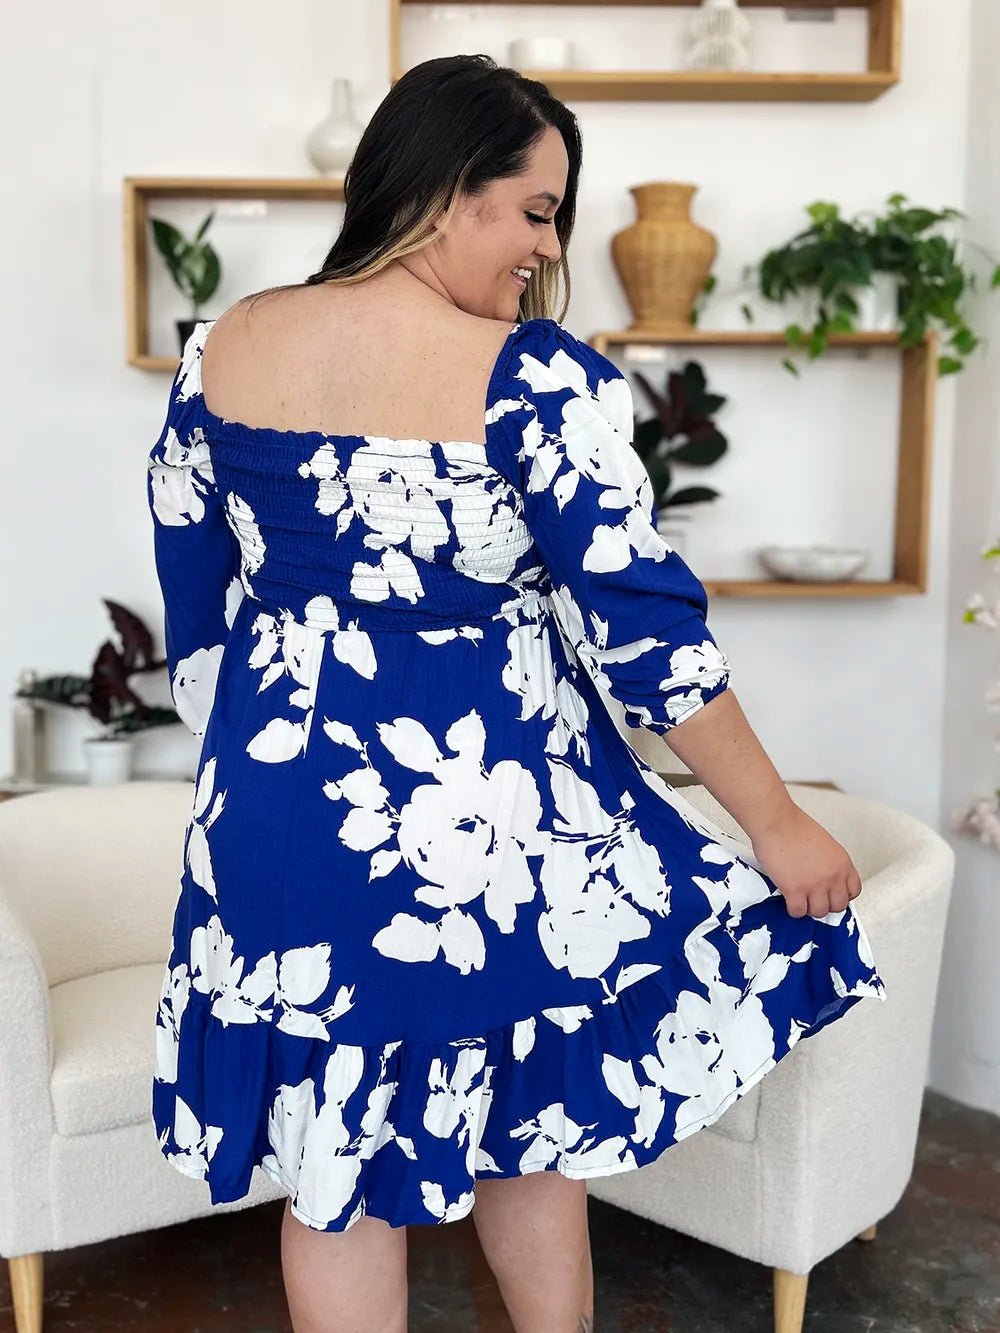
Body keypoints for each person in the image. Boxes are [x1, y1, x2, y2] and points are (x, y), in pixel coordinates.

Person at [145, 53, 886, 1333]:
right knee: (528, 1131)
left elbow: (198, 608)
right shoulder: (536, 379)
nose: (545, 251)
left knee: (333, 1175)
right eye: (535, 211)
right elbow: (648, 638)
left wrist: (268, 776)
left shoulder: (222, 350)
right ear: (443, 192)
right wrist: (775, 823)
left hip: (277, 818)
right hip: (491, 818)